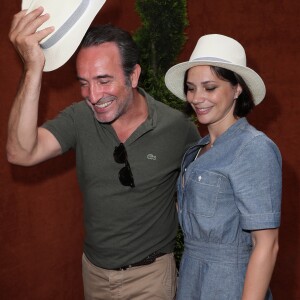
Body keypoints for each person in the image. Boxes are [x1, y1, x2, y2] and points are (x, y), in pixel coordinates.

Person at [7, 7, 200, 300]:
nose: (93, 96)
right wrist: (33, 67)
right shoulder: (79, 118)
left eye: (103, 80)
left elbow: (201, 197)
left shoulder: (177, 127)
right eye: (84, 83)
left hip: (150, 279)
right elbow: (21, 152)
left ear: (133, 75)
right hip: (94, 275)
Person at [164, 34, 282, 300]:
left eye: (210, 87)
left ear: (237, 88)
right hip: (192, 277)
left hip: (229, 284)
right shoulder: (197, 150)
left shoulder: (254, 148)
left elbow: (267, 244)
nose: (197, 97)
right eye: (191, 88)